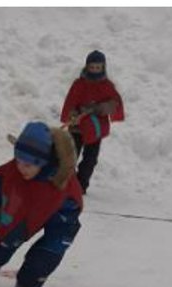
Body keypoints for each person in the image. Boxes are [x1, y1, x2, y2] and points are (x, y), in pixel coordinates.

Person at [0, 120, 83, 287]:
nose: (21, 168)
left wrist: (65, 227)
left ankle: (26, 286)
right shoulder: (14, 171)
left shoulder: (62, 179)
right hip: (23, 212)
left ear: (43, 163)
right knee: (4, 237)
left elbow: (73, 202)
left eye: (28, 165)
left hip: (58, 215)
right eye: (18, 161)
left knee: (49, 253)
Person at [60, 50, 125, 191]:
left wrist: (100, 108)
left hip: (95, 129)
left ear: (103, 67)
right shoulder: (79, 84)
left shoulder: (107, 86)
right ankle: (66, 182)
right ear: (87, 67)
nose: (95, 70)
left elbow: (115, 104)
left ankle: (81, 184)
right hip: (77, 127)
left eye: (98, 67)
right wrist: (73, 115)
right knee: (71, 156)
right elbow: (70, 102)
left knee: (90, 160)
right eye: (92, 67)